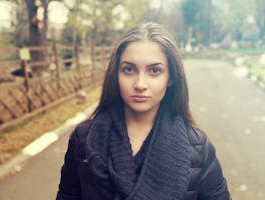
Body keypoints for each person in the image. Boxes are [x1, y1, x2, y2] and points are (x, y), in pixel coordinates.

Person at [56, 22, 231, 200]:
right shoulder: (84, 139)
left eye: (154, 71)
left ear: (170, 78)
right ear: (116, 74)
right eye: (129, 69)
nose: (140, 84)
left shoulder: (198, 148)